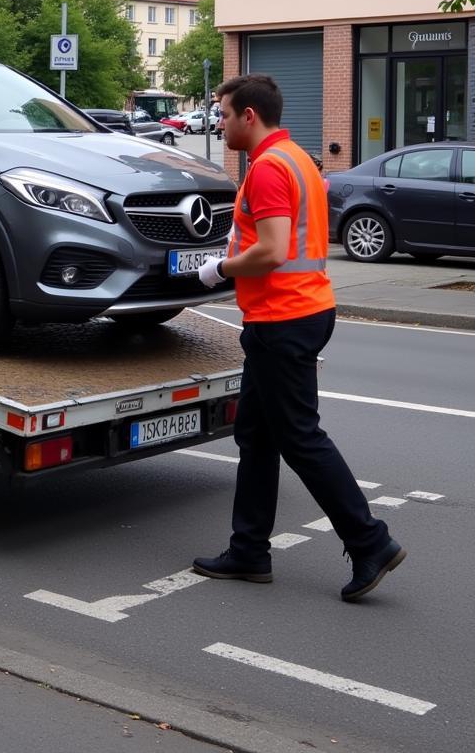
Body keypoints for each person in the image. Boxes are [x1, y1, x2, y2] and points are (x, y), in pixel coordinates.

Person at [192, 74, 404, 602]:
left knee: (300, 437)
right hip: (299, 309)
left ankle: (370, 542)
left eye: (222, 114)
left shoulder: (267, 168)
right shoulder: (298, 159)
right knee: (258, 436)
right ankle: (249, 550)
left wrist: (219, 269)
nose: (218, 124)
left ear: (248, 115)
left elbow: (273, 249)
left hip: (282, 317)